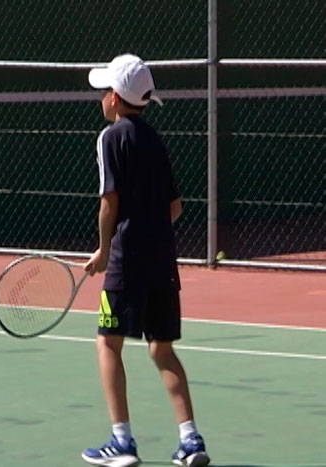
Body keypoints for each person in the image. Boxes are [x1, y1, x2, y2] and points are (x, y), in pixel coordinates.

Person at [81, 54, 210, 467]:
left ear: (116, 98)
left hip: (126, 259)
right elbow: (175, 207)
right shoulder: (155, 138)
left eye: (105, 91)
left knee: (107, 343)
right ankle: (190, 441)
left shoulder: (110, 138)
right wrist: (150, 230)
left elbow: (108, 203)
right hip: (162, 260)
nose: (101, 97)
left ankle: (122, 442)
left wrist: (104, 250)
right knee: (161, 350)